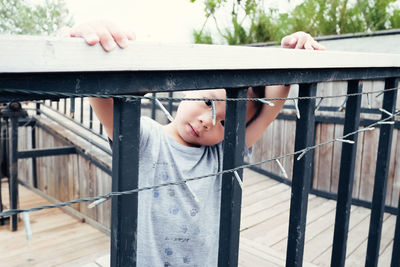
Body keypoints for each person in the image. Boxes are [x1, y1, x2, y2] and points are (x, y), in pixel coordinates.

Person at [62, 21, 325, 266]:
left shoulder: (224, 153)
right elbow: (104, 100)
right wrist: (94, 42)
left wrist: (290, 55)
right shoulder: (146, 139)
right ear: (189, 88)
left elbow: (270, 109)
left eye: (224, 122)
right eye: (208, 102)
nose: (208, 122)